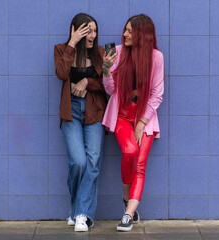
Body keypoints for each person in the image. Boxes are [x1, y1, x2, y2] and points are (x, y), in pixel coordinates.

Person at [102, 14, 164, 232]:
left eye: (130, 31)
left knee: (139, 165)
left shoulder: (156, 57)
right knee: (129, 150)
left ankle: (128, 214)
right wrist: (107, 70)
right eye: (125, 30)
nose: (125, 34)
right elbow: (110, 90)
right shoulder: (118, 52)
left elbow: (157, 94)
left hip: (144, 118)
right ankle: (127, 196)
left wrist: (141, 124)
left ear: (142, 34)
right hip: (121, 115)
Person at [54, 13, 107, 232]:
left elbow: (107, 85)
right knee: (79, 162)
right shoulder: (61, 49)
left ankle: (82, 214)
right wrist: (72, 44)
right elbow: (61, 73)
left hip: (94, 111)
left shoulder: (102, 53)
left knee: (92, 162)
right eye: (87, 31)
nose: (92, 35)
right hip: (71, 111)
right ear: (75, 30)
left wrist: (87, 81)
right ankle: (77, 209)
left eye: (94, 30)